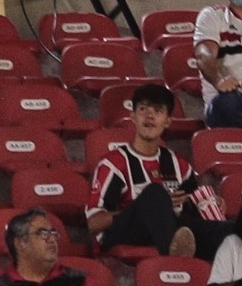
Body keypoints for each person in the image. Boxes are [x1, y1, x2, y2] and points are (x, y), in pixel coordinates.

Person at [85, 82, 219, 260]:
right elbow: (93, 223)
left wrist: (211, 203)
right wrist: (147, 208)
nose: (150, 116)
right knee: (155, 194)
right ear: (133, 116)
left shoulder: (179, 164)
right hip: (124, 235)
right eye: (143, 109)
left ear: (167, 121)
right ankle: (173, 257)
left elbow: (193, 209)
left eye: (158, 111)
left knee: (229, 229)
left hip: (171, 229)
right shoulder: (113, 164)